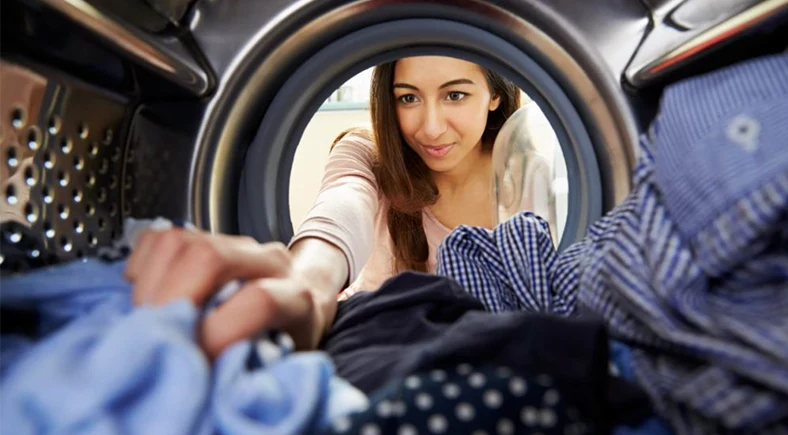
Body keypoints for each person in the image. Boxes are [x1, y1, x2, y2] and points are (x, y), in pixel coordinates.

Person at [125, 56, 521, 359]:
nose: (431, 127)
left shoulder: (529, 172)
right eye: (408, 97)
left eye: (455, 95)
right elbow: (341, 206)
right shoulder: (366, 153)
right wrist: (306, 286)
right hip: (376, 348)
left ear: (495, 95)